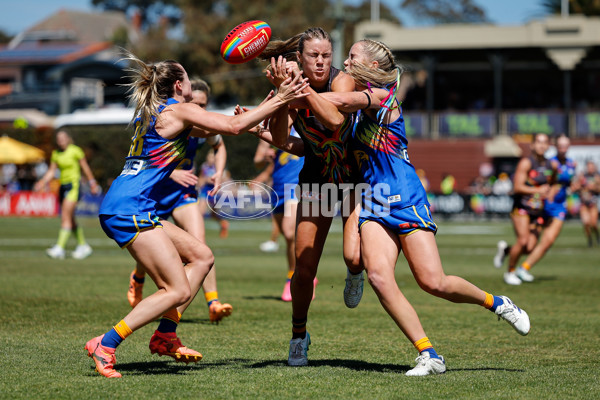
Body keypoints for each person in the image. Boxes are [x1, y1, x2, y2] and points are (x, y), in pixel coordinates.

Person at [298, 38, 531, 375]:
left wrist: (299, 92)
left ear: (372, 67)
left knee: (433, 282)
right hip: (373, 200)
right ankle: (428, 353)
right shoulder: (354, 111)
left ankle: (497, 303)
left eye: (351, 57)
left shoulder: (381, 97)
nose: (344, 64)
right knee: (378, 276)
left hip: (405, 197)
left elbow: (343, 100)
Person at [84, 52, 309, 378]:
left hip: (131, 205)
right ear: (179, 85)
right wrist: (281, 97)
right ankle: (105, 344)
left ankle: (165, 335)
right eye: (188, 78)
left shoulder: (162, 113)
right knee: (176, 290)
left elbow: (229, 126)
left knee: (202, 257)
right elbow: (232, 127)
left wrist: (272, 97)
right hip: (130, 208)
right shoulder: (180, 109)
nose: (192, 83)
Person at [259, 27, 365, 367]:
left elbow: (334, 120)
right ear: (300, 59)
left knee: (353, 258)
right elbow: (278, 137)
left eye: (325, 55)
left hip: (353, 180)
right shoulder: (289, 86)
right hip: (316, 182)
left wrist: (296, 91)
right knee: (303, 270)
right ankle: (298, 336)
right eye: (313, 56)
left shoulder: (342, 81)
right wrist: (279, 94)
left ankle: (355, 272)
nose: (320, 62)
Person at [126, 79, 233, 323]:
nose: (200, 109)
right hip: (155, 193)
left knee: (200, 244)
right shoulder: (168, 118)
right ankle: (138, 277)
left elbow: (220, 145)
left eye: (204, 105)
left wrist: (218, 172)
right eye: (195, 103)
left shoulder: (201, 124)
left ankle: (213, 302)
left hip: (183, 194)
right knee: (148, 246)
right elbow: (141, 155)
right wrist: (172, 172)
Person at [511, 134, 576, 282]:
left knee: (548, 240)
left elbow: (558, 182)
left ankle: (523, 268)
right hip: (542, 206)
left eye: (566, 146)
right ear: (556, 147)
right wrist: (543, 192)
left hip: (559, 206)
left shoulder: (572, 164)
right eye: (560, 146)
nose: (563, 149)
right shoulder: (548, 162)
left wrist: (570, 187)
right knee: (527, 244)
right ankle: (511, 260)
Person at [493, 133, 556, 285]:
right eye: (538, 142)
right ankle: (510, 273)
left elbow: (553, 183)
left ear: (548, 145)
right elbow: (517, 187)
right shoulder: (526, 163)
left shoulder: (551, 165)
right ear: (532, 145)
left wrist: (550, 193)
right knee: (523, 240)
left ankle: (506, 250)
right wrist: (538, 190)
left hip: (538, 210)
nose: (541, 145)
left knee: (529, 248)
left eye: (545, 142)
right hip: (521, 208)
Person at [253, 128, 304, 301]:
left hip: (297, 185)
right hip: (277, 189)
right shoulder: (271, 128)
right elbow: (258, 161)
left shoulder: (306, 124)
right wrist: (265, 156)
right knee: (290, 238)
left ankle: (292, 278)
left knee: (290, 233)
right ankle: (305, 273)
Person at [34, 130, 100, 259]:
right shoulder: (56, 154)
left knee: (65, 216)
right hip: (62, 187)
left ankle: (60, 248)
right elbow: (52, 171)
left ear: (68, 139)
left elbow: (85, 167)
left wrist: (92, 183)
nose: (60, 140)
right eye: (58, 138)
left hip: (74, 186)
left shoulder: (75, 151)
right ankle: (83, 245)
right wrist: (42, 182)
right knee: (70, 218)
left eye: (63, 138)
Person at [574, 160, 600, 247]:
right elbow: (575, 187)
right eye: (589, 167)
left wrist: (595, 187)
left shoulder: (597, 177)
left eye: (592, 167)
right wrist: (579, 186)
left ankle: (597, 235)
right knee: (586, 223)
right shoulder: (582, 177)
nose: (590, 169)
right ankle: (590, 239)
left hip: (593, 204)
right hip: (583, 204)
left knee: (593, 223)